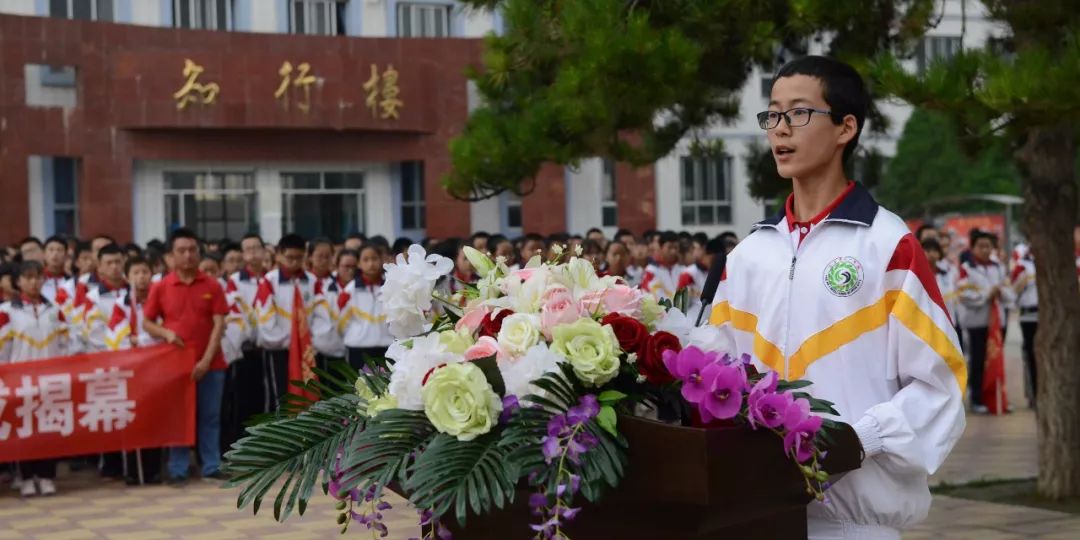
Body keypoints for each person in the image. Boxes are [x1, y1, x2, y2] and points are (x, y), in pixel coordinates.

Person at [710, 56, 965, 539]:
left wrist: (860, 439)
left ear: (846, 128)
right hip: (756, 515)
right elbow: (715, 374)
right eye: (773, 115)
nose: (780, 129)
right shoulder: (747, 255)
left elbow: (939, 383)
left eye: (799, 113)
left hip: (854, 522)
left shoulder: (888, 246)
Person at [143, 228, 229, 485]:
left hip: (212, 363)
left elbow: (219, 325)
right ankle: (178, 467)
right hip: (175, 365)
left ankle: (211, 464)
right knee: (178, 416)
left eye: (192, 250)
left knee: (210, 416)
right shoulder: (161, 287)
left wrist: (205, 360)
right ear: (171, 256)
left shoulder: (212, 285)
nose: (188, 255)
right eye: (182, 251)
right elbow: (147, 322)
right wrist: (166, 334)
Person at [0, 261, 70, 497]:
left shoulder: (54, 309)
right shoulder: (7, 311)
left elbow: (65, 344)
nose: (33, 282)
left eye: (38, 277)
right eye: (28, 277)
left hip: (50, 379)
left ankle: (47, 475)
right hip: (20, 380)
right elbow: (3, 348)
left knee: (47, 427)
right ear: (18, 282)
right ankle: (27, 476)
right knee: (24, 428)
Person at [103, 256, 162, 485]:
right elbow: (115, 336)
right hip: (131, 369)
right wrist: (138, 342)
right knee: (131, 418)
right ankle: (132, 471)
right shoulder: (122, 303)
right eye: (136, 273)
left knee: (154, 419)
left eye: (145, 272)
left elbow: (164, 331)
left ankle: (153, 470)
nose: (141, 277)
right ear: (128, 277)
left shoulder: (160, 300)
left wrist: (143, 340)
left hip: (156, 368)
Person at [252, 234, 326, 412]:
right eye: (289, 258)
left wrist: (309, 342)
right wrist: (291, 342)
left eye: (299, 258)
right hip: (279, 350)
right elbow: (265, 319)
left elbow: (322, 316)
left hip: (307, 351)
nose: (294, 262)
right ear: (279, 255)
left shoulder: (313, 281)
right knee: (279, 396)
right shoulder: (269, 282)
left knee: (309, 395)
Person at [957, 231, 1014, 414]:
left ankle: (996, 397)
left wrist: (1000, 292)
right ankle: (977, 399)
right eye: (980, 246)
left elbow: (1009, 292)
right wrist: (985, 295)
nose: (984, 249)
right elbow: (963, 294)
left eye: (988, 246)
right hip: (977, 323)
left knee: (996, 359)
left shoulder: (998, 267)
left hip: (997, 322)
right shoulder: (966, 268)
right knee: (979, 360)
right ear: (973, 248)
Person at [336, 244, 393, 371]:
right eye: (366, 260)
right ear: (359, 264)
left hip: (387, 347)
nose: (371, 263)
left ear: (381, 260)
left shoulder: (390, 286)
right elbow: (342, 323)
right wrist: (355, 335)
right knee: (360, 388)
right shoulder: (350, 290)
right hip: (358, 348)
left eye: (374, 259)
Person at [1011, 249, 1038, 409]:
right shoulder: (1022, 265)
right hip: (1028, 316)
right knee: (1031, 356)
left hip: (1050, 316)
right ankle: (1034, 394)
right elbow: (1013, 289)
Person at [640, 231, 684, 300]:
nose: (673, 251)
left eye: (676, 248)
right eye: (669, 247)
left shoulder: (683, 270)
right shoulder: (651, 271)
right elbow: (647, 295)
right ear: (661, 247)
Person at [41, 236, 70, 304]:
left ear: (66, 256)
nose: (55, 254)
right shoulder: (38, 280)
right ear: (44, 254)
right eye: (51, 250)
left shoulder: (71, 282)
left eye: (59, 250)